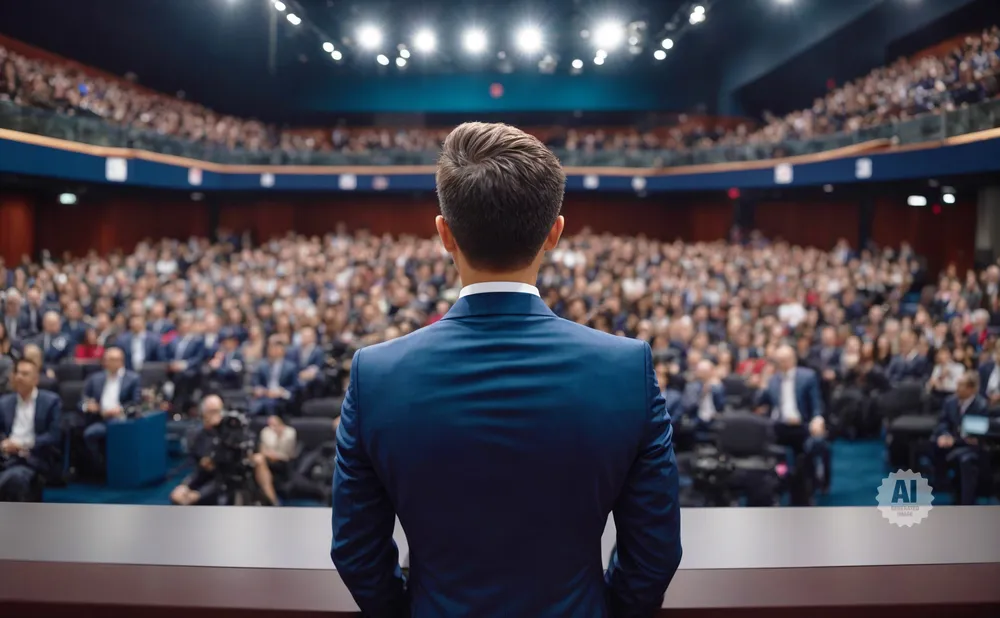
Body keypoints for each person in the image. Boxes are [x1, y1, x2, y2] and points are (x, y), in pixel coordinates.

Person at [330, 122, 682, 618]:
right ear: (554, 233)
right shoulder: (626, 367)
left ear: (444, 234)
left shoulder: (376, 374)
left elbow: (355, 551)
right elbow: (655, 553)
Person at [757, 345, 830, 505]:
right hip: (779, 426)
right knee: (768, 448)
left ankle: (807, 486)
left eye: (784, 360)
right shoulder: (773, 379)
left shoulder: (807, 377)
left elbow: (816, 404)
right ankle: (780, 481)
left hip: (801, 426)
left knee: (811, 447)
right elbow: (760, 402)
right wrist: (763, 383)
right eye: (778, 361)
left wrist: (817, 418)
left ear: (792, 360)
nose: (781, 364)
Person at [0, 359, 62, 501]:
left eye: (25, 374)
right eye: (17, 373)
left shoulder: (51, 401)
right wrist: (3, 443)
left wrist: (23, 445)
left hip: (32, 457)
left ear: (35, 379)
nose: (19, 377)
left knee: (15, 478)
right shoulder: (4, 402)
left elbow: (54, 435)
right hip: (5, 456)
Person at [931, 371, 990, 505]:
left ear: (972, 389)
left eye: (961, 385)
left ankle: (966, 501)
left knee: (963, 458)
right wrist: (945, 434)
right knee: (934, 441)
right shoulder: (950, 401)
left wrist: (954, 440)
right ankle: (942, 482)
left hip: (972, 447)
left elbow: (974, 435)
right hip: (952, 440)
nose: (957, 388)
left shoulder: (981, 406)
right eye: (957, 384)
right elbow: (943, 422)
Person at [79, 347, 141, 470]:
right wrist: (87, 406)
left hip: (121, 418)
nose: (108, 362)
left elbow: (136, 402)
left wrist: (121, 410)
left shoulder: (133, 378)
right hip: (99, 418)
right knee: (90, 433)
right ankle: (101, 467)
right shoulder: (95, 378)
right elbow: (82, 399)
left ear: (121, 361)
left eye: (113, 360)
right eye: (106, 359)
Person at [170, 394, 223, 505]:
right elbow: (195, 467)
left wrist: (199, 494)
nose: (216, 415)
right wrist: (185, 485)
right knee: (177, 496)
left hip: (222, 481)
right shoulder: (196, 435)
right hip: (204, 478)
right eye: (212, 412)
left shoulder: (227, 435)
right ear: (203, 414)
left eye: (219, 411)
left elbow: (224, 474)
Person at [250, 335, 297, 417]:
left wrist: (283, 392)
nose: (274, 350)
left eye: (277, 348)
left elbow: (295, 387)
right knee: (253, 405)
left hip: (280, 397)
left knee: (271, 404)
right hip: (265, 395)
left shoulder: (291, 367)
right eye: (271, 348)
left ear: (283, 351)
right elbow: (256, 383)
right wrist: (259, 389)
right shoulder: (262, 365)